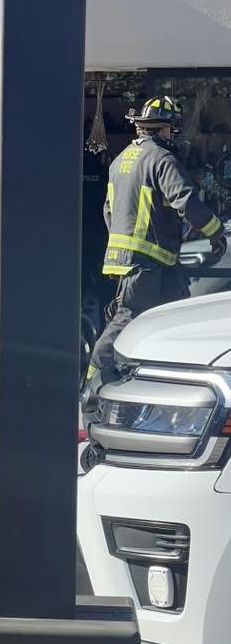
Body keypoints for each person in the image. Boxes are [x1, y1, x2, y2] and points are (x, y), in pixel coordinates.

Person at [83, 95, 227, 409]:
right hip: (147, 260)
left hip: (137, 259)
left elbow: (108, 210)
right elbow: (185, 200)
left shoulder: (121, 160)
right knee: (127, 320)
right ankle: (91, 385)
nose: (172, 135)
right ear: (162, 128)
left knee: (172, 316)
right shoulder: (162, 159)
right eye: (171, 129)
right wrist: (216, 232)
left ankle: (162, 382)